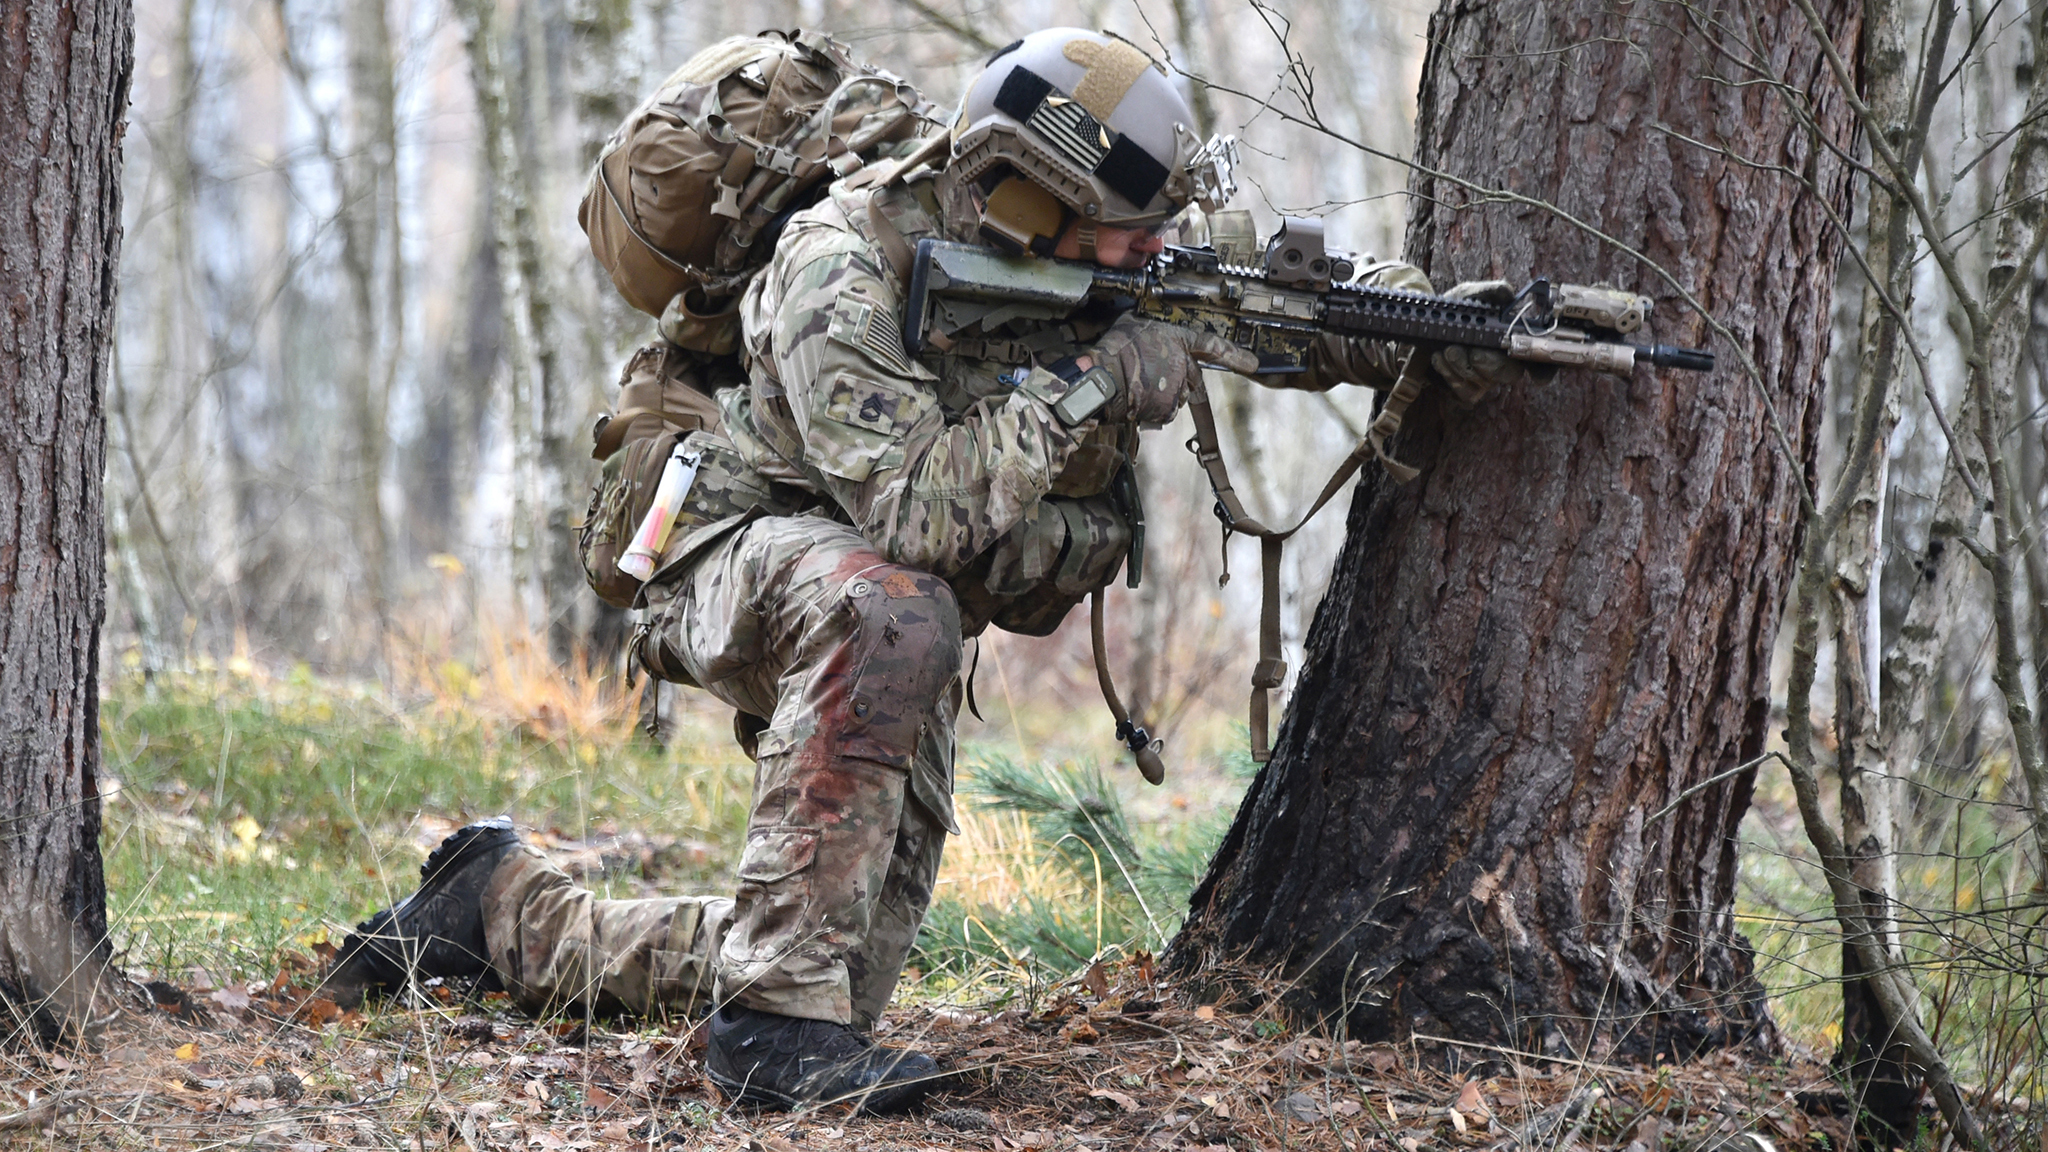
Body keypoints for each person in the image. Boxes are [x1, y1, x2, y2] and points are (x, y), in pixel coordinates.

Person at [319, 28, 1526, 1114]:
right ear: (1025, 200)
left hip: (869, 585)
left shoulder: (1099, 239)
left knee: (842, 956)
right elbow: (918, 515)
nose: (1150, 252)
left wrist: (1430, 327)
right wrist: (1102, 377)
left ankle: (499, 915)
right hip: (730, 546)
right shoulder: (836, 264)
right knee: (893, 610)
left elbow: (1270, 295)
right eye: (1127, 233)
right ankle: (768, 1041)